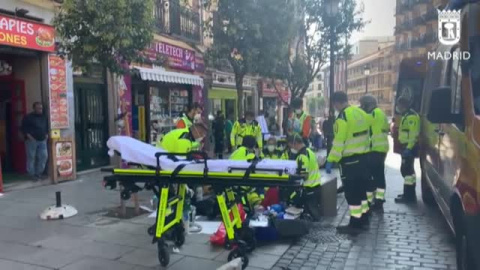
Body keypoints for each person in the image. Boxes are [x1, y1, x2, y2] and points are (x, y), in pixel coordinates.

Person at [324, 92, 371, 234]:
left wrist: (330, 160)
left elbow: (338, 143)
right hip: (364, 158)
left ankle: (355, 224)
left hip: (350, 162)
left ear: (336, 103)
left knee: (352, 193)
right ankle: (364, 219)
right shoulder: (360, 112)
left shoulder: (342, 118)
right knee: (362, 191)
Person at [360, 95, 389, 211]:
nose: (362, 107)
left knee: (369, 177)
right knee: (379, 176)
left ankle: (369, 201)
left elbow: (363, 124)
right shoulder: (381, 113)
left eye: (363, 105)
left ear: (368, 104)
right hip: (382, 149)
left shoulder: (372, 114)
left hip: (373, 149)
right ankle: (379, 200)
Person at [289, 134, 322, 221]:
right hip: (316, 186)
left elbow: (305, 175)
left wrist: (291, 176)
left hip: (308, 188)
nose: (291, 149)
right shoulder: (309, 151)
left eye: (291, 146)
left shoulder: (302, 156)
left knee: (292, 198)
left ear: (295, 143)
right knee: (314, 214)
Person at [394, 97, 420, 204]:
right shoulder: (407, 115)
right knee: (408, 172)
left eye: (398, 105)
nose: (397, 107)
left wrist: (409, 148)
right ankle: (409, 194)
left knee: (407, 171)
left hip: (408, 147)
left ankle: (408, 196)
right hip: (406, 146)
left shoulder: (411, 117)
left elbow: (413, 134)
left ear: (403, 105)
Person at [21, 102, 48, 180]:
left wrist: (46, 134)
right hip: (32, 140)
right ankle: (31, 174)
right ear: (34, 109)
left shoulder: (44, 116)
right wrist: (29, 136)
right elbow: (23, 128)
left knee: (44, 157)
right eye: (38, 108)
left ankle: (38, 173)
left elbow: (46, 126)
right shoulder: (28, 117)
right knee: (31, 157)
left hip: (43, 140)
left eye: (41, 108)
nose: (40, 110)